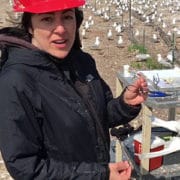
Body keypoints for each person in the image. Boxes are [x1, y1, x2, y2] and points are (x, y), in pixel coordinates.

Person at [0, 0, 148, 179]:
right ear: (30, 27)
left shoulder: (82, 62)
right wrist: (101, 174)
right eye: (47, 19)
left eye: (67, 17)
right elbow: (26, 168)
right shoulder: (15, 82)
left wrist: (125, 104)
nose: (61, 29)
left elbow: (97, 117)